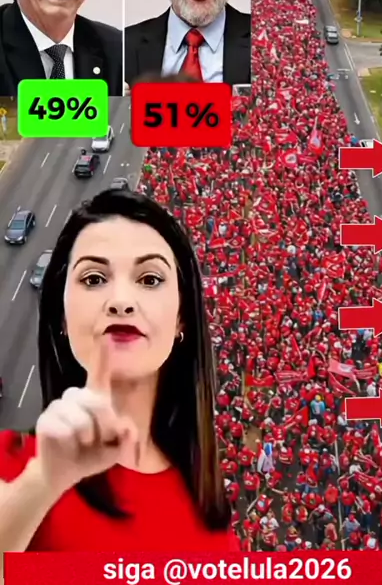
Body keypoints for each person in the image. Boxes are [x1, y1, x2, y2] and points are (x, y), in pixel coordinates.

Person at [0, 190, 238, 553]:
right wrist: (43, 483)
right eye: (94, 279)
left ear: (182, 318)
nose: (121, 301)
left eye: (150, 279)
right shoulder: (11, 463)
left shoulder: (214, 535)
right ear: (62, 316)